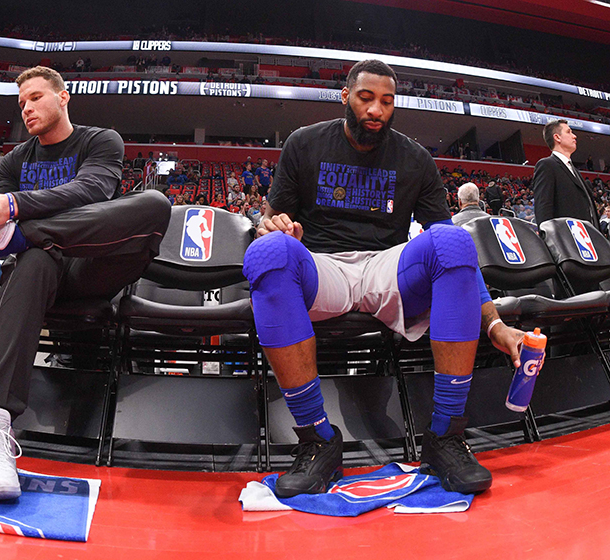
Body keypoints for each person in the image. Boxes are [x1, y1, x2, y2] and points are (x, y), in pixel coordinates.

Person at [243, 59, 524, 499]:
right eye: (366, 97)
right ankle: (317, 438)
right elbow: (270, 221)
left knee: (453, 240)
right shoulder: (304, 143)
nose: (376, 109)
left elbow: (456, 255)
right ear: (345, 97)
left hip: (387, 267)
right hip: (323, 265)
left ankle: (445, 435)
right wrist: (274, 227)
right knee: (267, 252)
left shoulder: (415, 158)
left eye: (387, 101)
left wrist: (495, 323)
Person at [0, 66, 171, 501]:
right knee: (34, 256)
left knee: (154, 204)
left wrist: (12, 209)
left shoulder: (101, 141)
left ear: (63, 97)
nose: (26, 108)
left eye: (36, 97)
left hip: (91, 265)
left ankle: (17, 236)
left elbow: (92, 192)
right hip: (37, 270)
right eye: (21, 102)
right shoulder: (13, 160)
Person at [532, 119, 600, 228]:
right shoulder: (547, 165)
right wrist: (549, 236)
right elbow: (543, 207)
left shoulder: (574, 170)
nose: (574, 136)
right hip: (567, 235)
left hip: (588, 234)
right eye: (569, 132)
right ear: (557, 137)